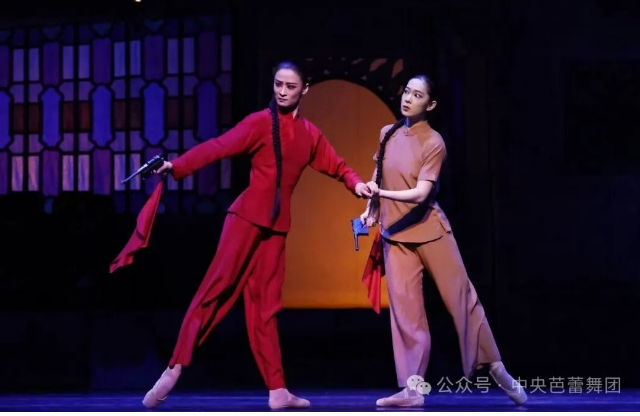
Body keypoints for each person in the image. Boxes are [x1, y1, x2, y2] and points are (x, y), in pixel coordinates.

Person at [110, 60, 373, 410]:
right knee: (215, 290)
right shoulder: (260, 122)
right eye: (278, 84)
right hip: (245, 220)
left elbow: (336, 165)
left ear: (305, 90)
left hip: (276, 230)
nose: (282, 91)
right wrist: (178, 166)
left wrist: (357, 184)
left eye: (290, 86)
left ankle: (277, 390)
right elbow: (218, 146)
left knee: (266, 309)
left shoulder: (310, 134)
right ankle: (173, 369)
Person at [359, 74, 527, 407]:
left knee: (462, 298)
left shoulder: (434, 142)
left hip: (430, 231)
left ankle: (496, 367)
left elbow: (421, 193)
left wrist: (382, 194)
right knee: (406, 314)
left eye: (417, 95)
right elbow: (379, 176)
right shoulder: (388, 133)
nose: (408, 98)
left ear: (431, 104)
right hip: (395, 234)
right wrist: (371, 208)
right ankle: (413, 390)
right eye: (407, 91)